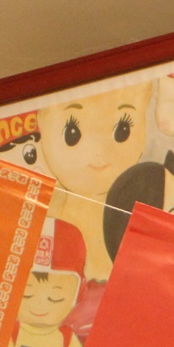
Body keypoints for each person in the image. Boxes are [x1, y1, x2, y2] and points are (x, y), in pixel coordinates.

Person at [36, 82, 154, 280]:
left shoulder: (145, 203)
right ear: (41, 122)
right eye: (72, 133)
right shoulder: (41, 210)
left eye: (123, 130)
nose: (99, 151)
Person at [6, 218, 86, 347]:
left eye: (55, 298)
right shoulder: (11, 333)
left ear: (78, 292)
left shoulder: (67, 339)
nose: (40, 305)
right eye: (27, 294)